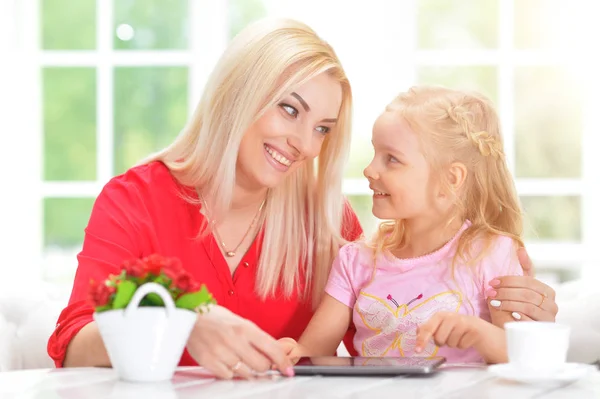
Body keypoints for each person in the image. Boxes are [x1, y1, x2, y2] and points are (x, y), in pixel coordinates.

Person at [47, 19, 557, 380]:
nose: (305, 146)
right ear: (238, 94)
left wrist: (520, 320)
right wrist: (182, 326)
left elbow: (385, 341)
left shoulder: (327, 220)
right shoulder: (134, 200)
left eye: (322, 129)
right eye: (290, 110)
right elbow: (74, 345)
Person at [279, 86, 548, 365]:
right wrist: (295, 353)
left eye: (391, 159)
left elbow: (522, 359)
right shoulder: (354, 261)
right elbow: (315, 353)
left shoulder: (492, 253)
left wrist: (479, 333)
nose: (370, 170)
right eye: (374, 153)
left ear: (451, 179)